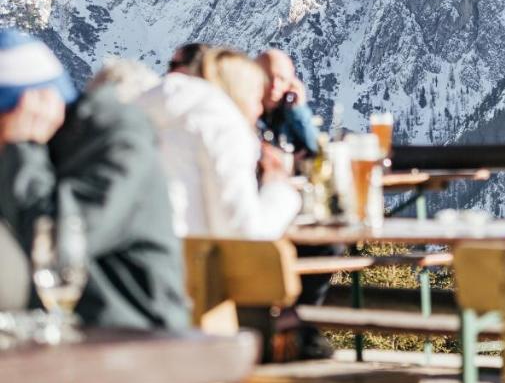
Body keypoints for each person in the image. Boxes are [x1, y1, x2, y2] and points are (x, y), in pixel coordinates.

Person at [0, 29, 188, 330]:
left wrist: (21, 148)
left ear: (30, 110)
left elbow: (55, 249)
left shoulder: (118, 140)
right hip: (50, 342)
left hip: (135, 345)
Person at [139, 45, 300, 238]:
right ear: (240, 92)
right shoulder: (225, 126)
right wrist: (279, 187)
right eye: (257, 97)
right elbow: (244, 234)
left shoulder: (148, 105)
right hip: (187, 261)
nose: (259, 110)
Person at [257, 49, 319, 156]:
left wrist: (298, 110)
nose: (274, 85)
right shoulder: (243, 114)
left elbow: (316, 150)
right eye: (269, 77)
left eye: (281, 79)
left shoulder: (292, 115)